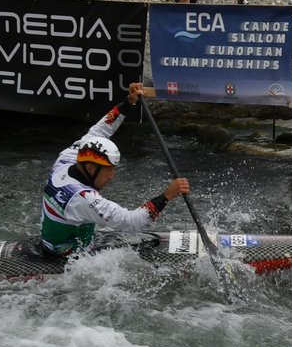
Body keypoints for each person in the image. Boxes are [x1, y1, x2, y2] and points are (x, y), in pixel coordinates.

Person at [41, 82, 192, 257]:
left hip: (59, 238)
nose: (112, 177)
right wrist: (167, 196)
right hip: (70, 260)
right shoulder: (83, 199)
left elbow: (101, 129)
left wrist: (129, 102)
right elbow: (132, 222)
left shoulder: (68, 158)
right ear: (91, 168)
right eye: (108, 171)